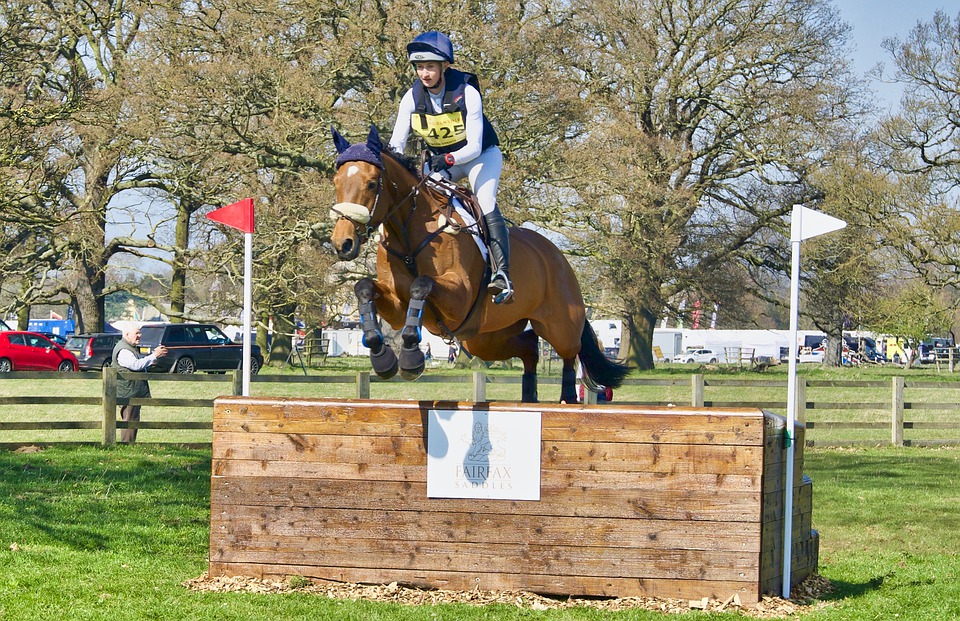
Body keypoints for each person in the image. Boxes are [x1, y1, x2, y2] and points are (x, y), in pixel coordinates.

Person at [389, 31, 513, 303]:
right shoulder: (411, 98)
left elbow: (474, 147)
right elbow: (396, 145)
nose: (425, 73)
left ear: (445, 66)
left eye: (431, 67)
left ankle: (501, 274)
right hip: (442, 161)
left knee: (485, 200)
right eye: (420, 67)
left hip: (480, 157)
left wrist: (445, 160)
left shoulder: (467, 92)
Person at [112, 326, 168, 444]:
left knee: (132, 419)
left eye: (140, 333)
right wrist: (154, 355)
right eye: (136, 333)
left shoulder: (129, 348)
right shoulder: (124, 350)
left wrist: (152, 357)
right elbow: (135, 365)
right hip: (129, 392)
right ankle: (127, 446)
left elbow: (138, 364)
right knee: (130, 420)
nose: (140, 335)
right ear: (127, 334)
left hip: (132, 391)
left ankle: (128, 445)